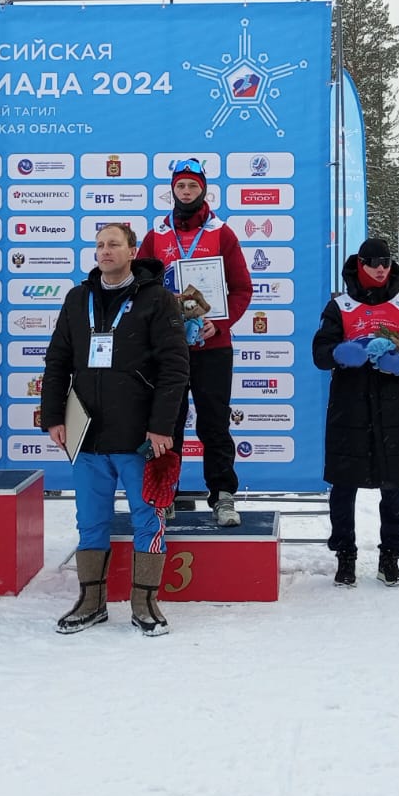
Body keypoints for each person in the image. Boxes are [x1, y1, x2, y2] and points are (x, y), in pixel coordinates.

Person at [44, 224, 190, 637]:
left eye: (114, 244)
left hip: (140, 437)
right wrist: (54, 416)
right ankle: (91, 601)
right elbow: (57, 361)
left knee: (148, 518)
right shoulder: (78, 299)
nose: (105, 251)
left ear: (131, 251)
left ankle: (145, 603)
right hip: (87, 433)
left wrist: (162, 426)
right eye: (99, 245)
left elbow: (175, 368)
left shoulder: (157, 300)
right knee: (90, 520)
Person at [136, 157, 252, 526]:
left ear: (204, 190)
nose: (186, 192)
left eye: (193, 186)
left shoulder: (222, 233)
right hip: (167, 349)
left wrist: (218, 324)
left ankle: (222, 496)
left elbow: (241, 289)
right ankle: (163, 494)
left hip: (213, 346)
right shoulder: (157, 234)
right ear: (172, 190)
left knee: (214, 422)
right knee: (167, 423)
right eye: (180, 186)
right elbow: (141, 287)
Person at [311, 237, 399, 589]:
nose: (380, 268)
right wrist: (340, 353)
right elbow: (319, 352)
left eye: (386, 262)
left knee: (393, 483)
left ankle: (390, 555)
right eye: (373, 262)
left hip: (390, 407)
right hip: (348, 405)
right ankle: (345, 554)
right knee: (344, 485)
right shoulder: (340, 306)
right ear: (359, 264)